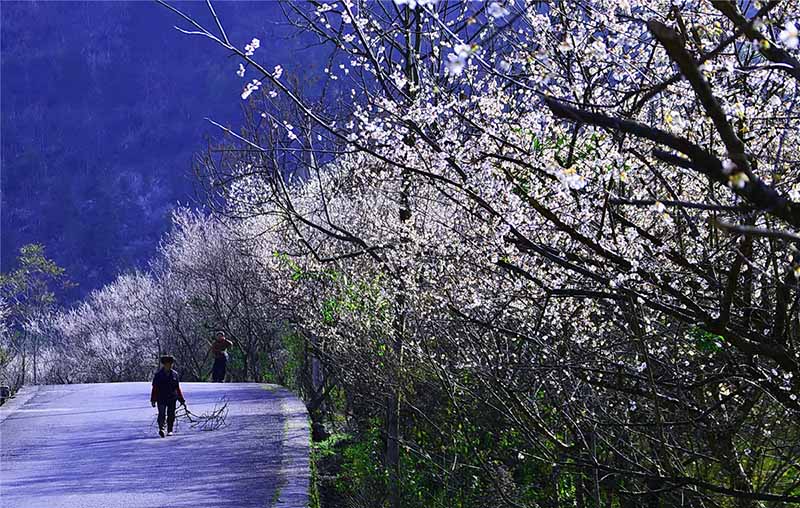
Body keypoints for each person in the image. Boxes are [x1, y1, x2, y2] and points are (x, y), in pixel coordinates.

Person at [150, 354, 186, 438]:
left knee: (171, 414)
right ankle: (162, 429)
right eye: (167, 363)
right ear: (164, 364)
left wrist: (181, 399)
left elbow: (177, 388)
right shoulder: (158, 375)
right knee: (161, 414)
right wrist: (153, 399)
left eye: (170, 363)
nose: (169, 365)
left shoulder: (175, 375)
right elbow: (154, 388)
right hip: (161, 398)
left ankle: (170, 430)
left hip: (172, 398)